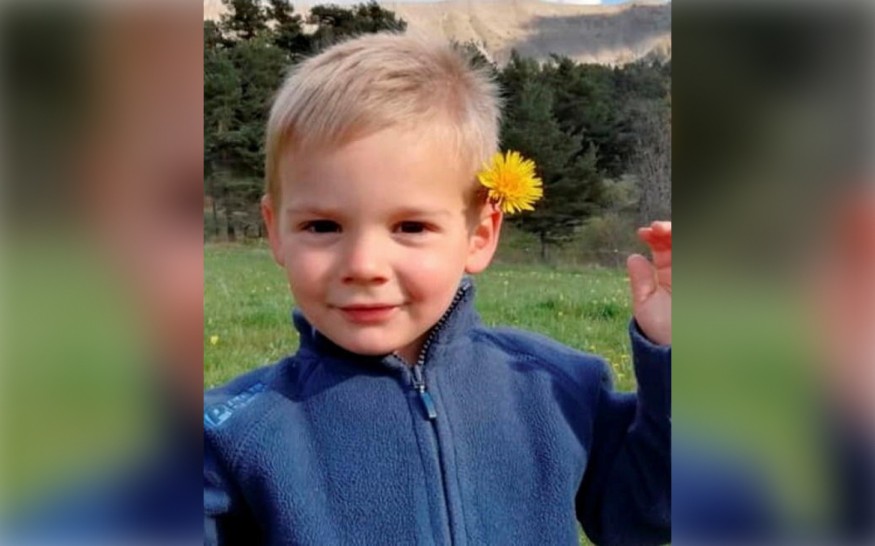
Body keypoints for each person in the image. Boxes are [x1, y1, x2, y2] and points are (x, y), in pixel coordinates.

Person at [204, 32, 671, 546]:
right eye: (322, 226)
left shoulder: (557, 388)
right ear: (275, 231)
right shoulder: (233, 434)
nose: (363, 266)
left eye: (410, 227)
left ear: (480, 234)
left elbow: (645, 516)